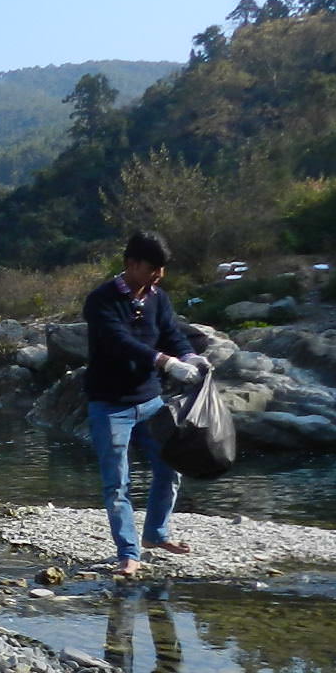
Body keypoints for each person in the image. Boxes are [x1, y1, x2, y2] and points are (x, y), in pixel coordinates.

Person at [84, 230, 211, 578]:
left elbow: (171, 332)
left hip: (151, 401)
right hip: (110, 405)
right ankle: (128, 552)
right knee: (117, 483)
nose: (158, 274)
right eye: (152, 267)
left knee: (170, 467)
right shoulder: (102, 301)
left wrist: (188, 356)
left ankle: (156, 534)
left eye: (162, 268)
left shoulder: (158, 298)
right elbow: (120, 342)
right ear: (130, 263)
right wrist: (168, 364)